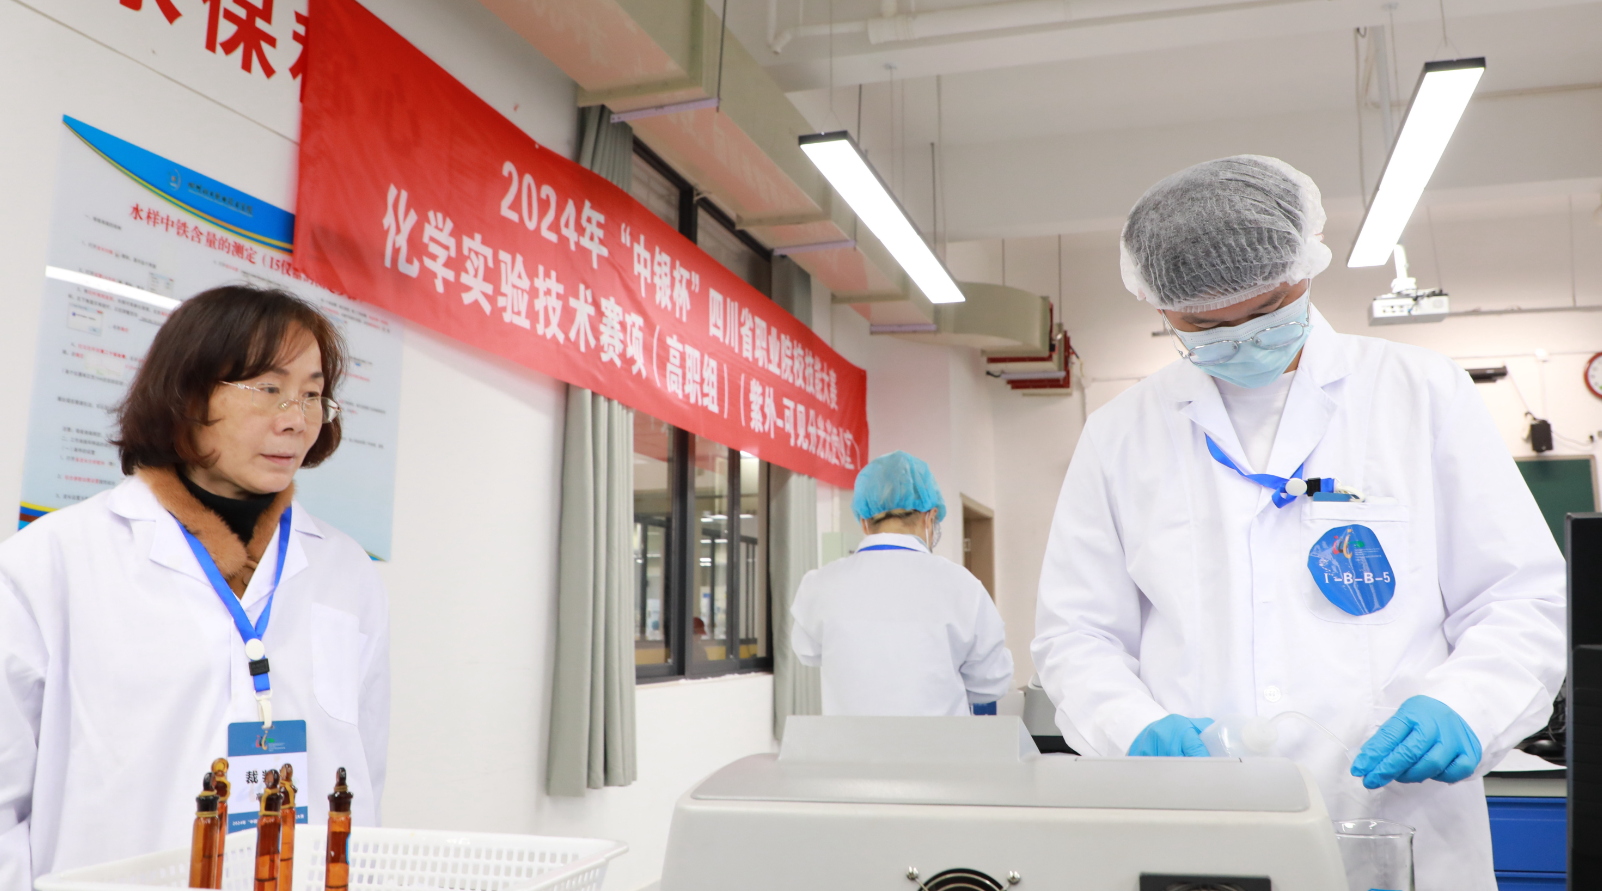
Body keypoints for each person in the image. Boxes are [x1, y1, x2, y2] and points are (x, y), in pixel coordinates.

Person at [1031, 156, 1565, 891]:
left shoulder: (1419, 393)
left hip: (1396, 816)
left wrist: (1465, 704)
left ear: (1305, 267)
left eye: (1265, 311)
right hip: (1196, 822)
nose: (1241, 337)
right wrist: (1130, 727)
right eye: (1205, 325)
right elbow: (1076, 633)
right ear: (1160, 307)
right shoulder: (1121, 433)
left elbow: (1519, 595)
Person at [0, 286, 390, 884]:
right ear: (187, 392)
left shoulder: (344, 570)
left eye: (312, 395)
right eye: (269, 389)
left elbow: (363, 776)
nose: (295, 419)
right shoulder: (51, 561)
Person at [791, 451, 1013, 716]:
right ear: (930, 517)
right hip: (940, 741)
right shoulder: (962, 586)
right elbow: (991, 682)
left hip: (849, 742)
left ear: (864, 521)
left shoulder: (819, 584)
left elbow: (808, 653)